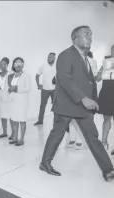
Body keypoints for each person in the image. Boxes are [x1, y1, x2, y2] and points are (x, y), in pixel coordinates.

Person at [39, 26, 114, 181]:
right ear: (74, 38)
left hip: (82, 107)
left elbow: (88, 81)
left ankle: (108, 170)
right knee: (57, 134)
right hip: (66, 105)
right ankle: (45, 163)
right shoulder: (65, 55)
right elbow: (65, 79)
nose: (90, 38)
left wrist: (94, 99)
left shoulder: (84, 56)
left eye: (91, 35)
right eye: (86, 35)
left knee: (93, 137)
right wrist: (83, 99)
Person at [7, 57, 31, 146]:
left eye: (20, 63)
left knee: (22, 120)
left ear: (22, 65)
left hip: (22, 101)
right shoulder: (12, 76)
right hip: (13, 101)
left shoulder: (26, 75)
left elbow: (27, 88)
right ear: (13, 65)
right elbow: (9, 86)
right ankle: (15, 137)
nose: (18, 64)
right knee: (14, 119)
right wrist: (9, 90)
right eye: (16, 63)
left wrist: (16, 88)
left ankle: (22, 139)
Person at [95, 44, 114, 155]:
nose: (113, 51)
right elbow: (97, 79)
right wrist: (102, 68)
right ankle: (104, 142)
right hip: (106, 91)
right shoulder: (106, 63)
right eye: (112, 49)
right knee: (106, 118)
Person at [34, 53, 56, 125]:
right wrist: (38, 84)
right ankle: (40, 121)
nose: (49, 58)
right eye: (48, 56)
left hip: (54, 89)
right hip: (45, 89)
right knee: (42, 105)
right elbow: (37, 75)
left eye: (51, 57)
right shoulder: (43, 65)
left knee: (56, 106)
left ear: (54, 58)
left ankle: (57, 122)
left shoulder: (57, 65)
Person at [0, 57, 12, 139]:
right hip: (0, 99)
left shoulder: (11, 74)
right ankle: (4, 132)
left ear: (7, 65)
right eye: (1, 64)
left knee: (11, 116)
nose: (2, 66)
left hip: (9, 98)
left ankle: (13, 133)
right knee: (2, 115)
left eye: (4, 64)